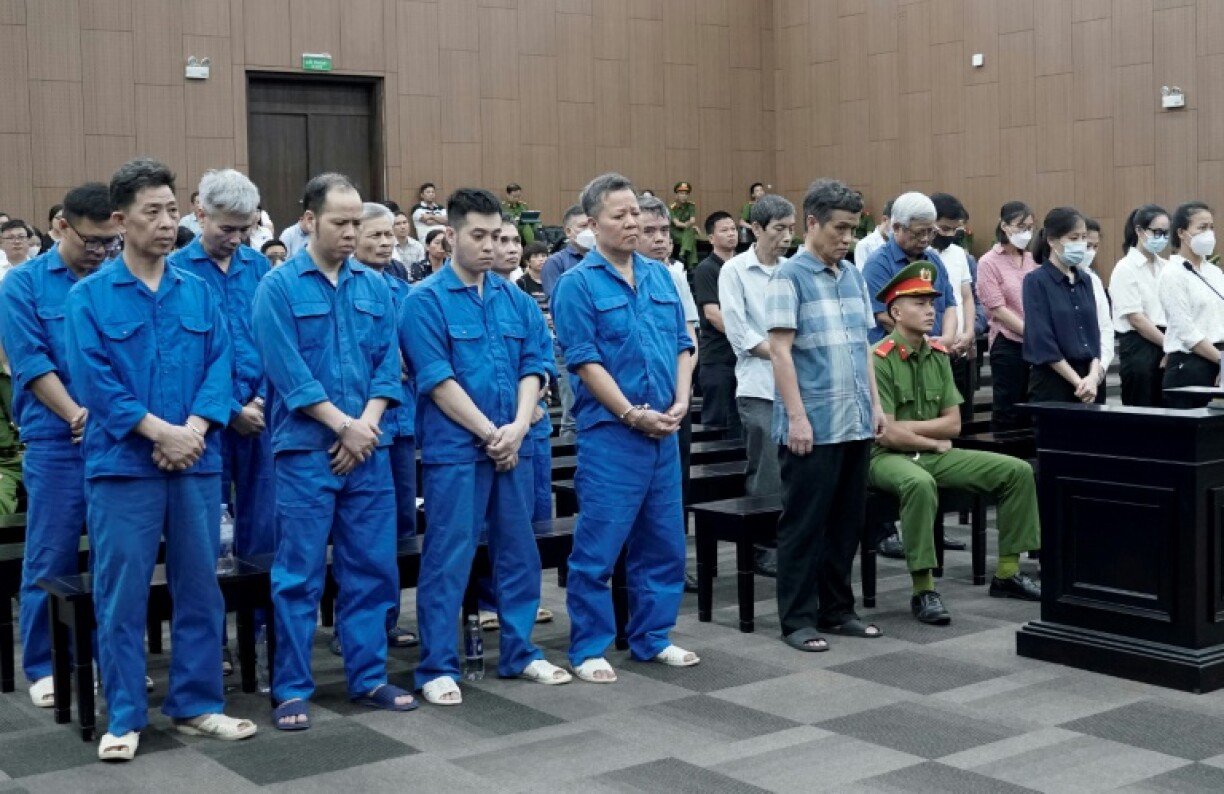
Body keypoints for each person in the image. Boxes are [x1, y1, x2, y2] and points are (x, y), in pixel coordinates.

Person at [64, 158, 256, 760]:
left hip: (196, 461)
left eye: (174, 209)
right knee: (120, 594)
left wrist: (193, 429)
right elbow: (95, 383)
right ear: (121, 221)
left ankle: (198, 703)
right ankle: (124, 715)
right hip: (124, 468)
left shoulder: (196, 291)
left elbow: (220, 364)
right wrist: (159, 434)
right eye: (154, 211)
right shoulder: (90, 297)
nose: (168, 222)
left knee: (201, 587)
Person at [252, 172, 416, 731]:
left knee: (370, 567)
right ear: (308, 221)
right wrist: (343, 426)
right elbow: (287, 373)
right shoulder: (277, 287)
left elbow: (387, 370)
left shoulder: (375, 285)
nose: (351, 233)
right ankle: (292, 687)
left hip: (367, 448)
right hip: (305, 451)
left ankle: (368, 676)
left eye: (358, 224)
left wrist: (363, 427)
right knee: (298, 575)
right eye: (340, 223)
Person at [402, 188, 570, 705]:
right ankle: (436, 665)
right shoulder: (423, 301)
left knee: (519, 552)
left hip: (515, 445)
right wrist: (490, 432)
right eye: (477, 235)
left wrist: (517, 427)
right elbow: (436, 378)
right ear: (450, 235)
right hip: (457, 451)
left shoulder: (515, 299)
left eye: (496, 236)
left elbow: (535, 368)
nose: (489, 246)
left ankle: (519, 652)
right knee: (448, 557)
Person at [553, 172, 700, 682]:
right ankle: (589, 646)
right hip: (613, 433)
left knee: (664, 542)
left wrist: (682, 400)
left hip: (666, 427)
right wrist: (631, 414)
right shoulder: (577, 284)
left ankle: (651, 636)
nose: (633, 222)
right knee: (600, 545)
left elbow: (684, 344)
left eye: (636, 212)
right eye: (620, 215)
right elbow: (585, 361)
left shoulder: (659, 275)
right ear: (592, 225)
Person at [868, 262, 1041, 626]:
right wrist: (930, 442)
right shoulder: (877, 358)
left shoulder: (938, 356)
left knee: (1017, 471)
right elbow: (886, 433)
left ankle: (1008, 572)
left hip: (930, 451)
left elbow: (954, 423)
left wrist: (918, 433)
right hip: (886, 458)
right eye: (919, 302)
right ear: (895, 311)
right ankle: (923, 588)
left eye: (932, 302)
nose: (931, 309)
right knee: (918, 483)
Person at [1, 183, 117, 708]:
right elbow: (29, 363)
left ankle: (107, 659)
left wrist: (108, 417)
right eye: (91, 241)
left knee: (116, 557)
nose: (99, 252)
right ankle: (46, 664)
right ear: (60, 227)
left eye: (109, 242)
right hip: (56, 439)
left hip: (116, 435)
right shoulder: (22, 285)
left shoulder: (117, 279)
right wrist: (76, 414)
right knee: (52, 555)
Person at [765, 178, 886, 652]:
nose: (847, 238)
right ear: (811, 222)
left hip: (853, 420)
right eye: (839, 228)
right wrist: (796, 417)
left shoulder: (852, 275)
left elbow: (862, 347)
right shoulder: (788, 277)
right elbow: (779, 352)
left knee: (846, 525)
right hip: (811, 424)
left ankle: (838, 610)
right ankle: (797, 620)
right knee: (804, 525)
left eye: (854, 229)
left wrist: (875, 406)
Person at [167, 170, 276, 676]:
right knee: (204, 537)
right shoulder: (174, 272)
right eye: (225, 228)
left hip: (264, 416)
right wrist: (230, 409)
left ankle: (256, 629)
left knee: (263, 529)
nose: (235, 239)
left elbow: (284, 345)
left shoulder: (264, 270)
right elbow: (181, 359)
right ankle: (212, 639)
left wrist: (258, 401)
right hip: (204, 423)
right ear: (200, 214)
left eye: (244, 229)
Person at [349, 202, 420, 651]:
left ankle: (388, 618)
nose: (383, 242)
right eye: (373, 235)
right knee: (359, 530)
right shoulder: (344, 289)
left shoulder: (403, 291)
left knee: (401, 525)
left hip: (401, 423)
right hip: (360, 425)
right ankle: (354, 623)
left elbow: (421, 353)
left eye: (388, 235)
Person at [720, 194, 795, 577]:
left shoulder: (793, 268)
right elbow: (739, 333)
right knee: (765, 467)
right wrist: (783, 352)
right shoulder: (734, 271)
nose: (786, 237)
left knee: (796, 466)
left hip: (796, 383)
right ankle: (763, 545)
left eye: (791, 229)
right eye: (779, 229)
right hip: (759, 384)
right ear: (757, 228)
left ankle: (792, 538)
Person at [1022, 207, 1103, 404]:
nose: (1081, 244)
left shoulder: (1086, 280)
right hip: (1054, 380)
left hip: (1088, 381)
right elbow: (1042, 340)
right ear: (1052, 240)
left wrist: (1092, 377)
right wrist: (1078, 383)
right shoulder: (1036, 281)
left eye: (1084, 238)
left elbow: (1093, 335)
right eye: (1074, 238)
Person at [861, 193, 958, 347]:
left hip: (936, 351)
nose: (926, 238)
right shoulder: (878, 264)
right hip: (896, 355)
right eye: (919, 232)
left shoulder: (934, 260)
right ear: (897, 227)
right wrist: (925, 343)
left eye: (931, 231)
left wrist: (948, 337)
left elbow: (949, 304)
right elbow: (883, 315)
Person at [976, 201, 1039, 429]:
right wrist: (1031, 333)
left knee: (1032, 406)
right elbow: (997, 309)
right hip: (1008, 343)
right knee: (1008, 406)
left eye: (1030, 227)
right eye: (1021, 226)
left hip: (1035, 343)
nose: (1026, 233)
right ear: (1004, 226)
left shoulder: (1032, 260)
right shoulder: (988, 262)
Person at [1161, 201, 1224, 409]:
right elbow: (1186, 331)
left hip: (1218, 361)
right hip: (1189, 366)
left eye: (1211, 227)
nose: (1209, 233)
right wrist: (1221, 360)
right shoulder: (1172, 273)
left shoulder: (1214, 272)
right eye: (1202, 228)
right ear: (1181, 232)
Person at [540, 205, 593, 443]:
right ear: (569, 232)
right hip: (568, 349)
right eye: (583, 227)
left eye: (592, 226)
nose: (589, 231)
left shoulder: (604, 258)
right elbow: (559, 305)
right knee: (573, 412)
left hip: (602, 348)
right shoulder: (556, 263)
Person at [1111, 204, 1170, 407]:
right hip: (1139, 345)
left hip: (1166, 340)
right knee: (1142, 408)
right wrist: (1168, 344)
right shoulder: (1124, 268)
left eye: (1166, 233)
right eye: (1157, 232)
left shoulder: (1167, 266)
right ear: (1139, 231)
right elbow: (1136, 319)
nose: (1162, 237)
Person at [692, 210, 742, 436]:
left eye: (733, 229)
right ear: (711, 238)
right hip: (718, 358)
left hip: (742, 358)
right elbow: (712, 314)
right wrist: (746, 339)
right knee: (718, 425)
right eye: (724, 230)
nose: (731, 234)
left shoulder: (742, 266)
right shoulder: (706, 269)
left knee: (740, 426)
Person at [929, 193, 978, 420]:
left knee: (963, 416)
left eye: (954, 230)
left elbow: (966, 297)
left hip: (960, 348)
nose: (949, 235)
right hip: (931, 347)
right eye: (944, 228)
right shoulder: (921, 255)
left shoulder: (959, 254)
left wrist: (968, 332)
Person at [1083, 218, 1113, 404]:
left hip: (1095, 369)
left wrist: (1099, 368)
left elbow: (1105, 327)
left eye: (1095, 246)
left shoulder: (1093, 279)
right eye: (1087, 245)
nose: (1091, 252)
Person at [853, 197, 892, 269]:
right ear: (885, 220)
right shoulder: (864, 245)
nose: (898, 231)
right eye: (896, 226)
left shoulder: (902, 244)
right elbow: (863, 277)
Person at [669, 182, 698, 269]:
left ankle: (682, 253)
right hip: (674, 232)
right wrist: (689, 225)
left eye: (686, 194)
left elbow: (693, 220)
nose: (684, 196)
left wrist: (690, 225)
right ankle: (691, 265)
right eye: (681, 193)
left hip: (685, 232)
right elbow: (677, 224)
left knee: (690, 233)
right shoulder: (671, 207)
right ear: (676, 195)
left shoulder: (691, 206)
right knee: (691, 233)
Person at [391, 209, 425, 275]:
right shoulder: (389, 246)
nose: (403, 227)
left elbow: (421, 268)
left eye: (405, 222)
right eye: (398, 224)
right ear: (391, 227)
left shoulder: (418, 246)